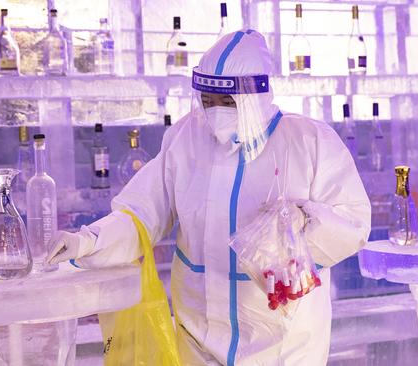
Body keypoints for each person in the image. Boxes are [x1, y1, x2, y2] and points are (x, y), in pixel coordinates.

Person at [47, 30, 371, 365]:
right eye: (208, 99)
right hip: (197, 341)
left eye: (228, 102)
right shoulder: (186, 139)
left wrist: (307, 220)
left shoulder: (309, 142)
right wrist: (88, 242)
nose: (215, 111)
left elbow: (355, 223)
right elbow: (141, 214)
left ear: (256, 94)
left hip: (282, 343)